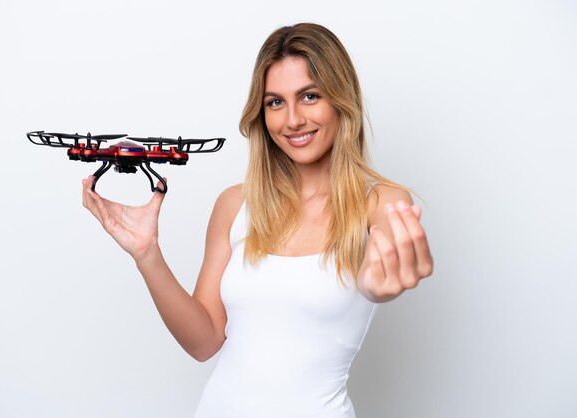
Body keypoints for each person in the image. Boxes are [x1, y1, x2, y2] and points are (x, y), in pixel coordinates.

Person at [82, 22, 432, 418]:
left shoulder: (381, 203)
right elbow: (204, 342)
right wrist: (147, 254)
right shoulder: (234, 204)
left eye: (310, 96)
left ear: (341, 100)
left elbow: (376, 281)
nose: (293, 119)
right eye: (275, 103)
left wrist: (378, 286)